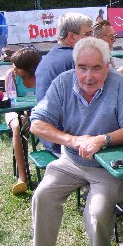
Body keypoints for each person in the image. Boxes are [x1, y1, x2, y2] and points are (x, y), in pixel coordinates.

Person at [21, 37, 123, 246]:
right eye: (82, 68)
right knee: (43, 195)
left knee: (96, 210)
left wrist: (102, 139)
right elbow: (37, 123)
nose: (89, 76)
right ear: (74, 66)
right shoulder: (63, 82)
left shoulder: (119, 85)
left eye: (96, 68)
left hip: (108, 165)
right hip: (71, 160)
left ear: (108, 66)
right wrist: (73, 140)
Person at [35, 12, 93, 153]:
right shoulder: (75, 59)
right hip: (66, 140)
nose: (92, 38)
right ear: (72, 36)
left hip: (48, 137)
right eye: (88, 34)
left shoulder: (48, 57)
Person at [4, 47, 41, 195]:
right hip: (16, 111)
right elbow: (11, 100)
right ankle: (22, 176)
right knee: (18, 127)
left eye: (17, 66)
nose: (14, 69)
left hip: (37, 111)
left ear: (29, 68)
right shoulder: (12, 76)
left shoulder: (41, 76)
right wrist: (25, 113)